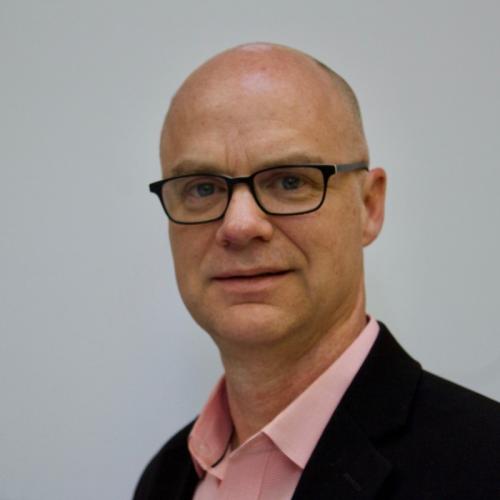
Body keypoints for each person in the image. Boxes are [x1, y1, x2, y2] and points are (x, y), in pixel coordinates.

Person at [133, 43, 500, 500]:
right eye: (202, 188)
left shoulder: (487, 466)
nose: (239, 225)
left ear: (369, 206)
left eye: (290, 181)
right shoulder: (166, 478)